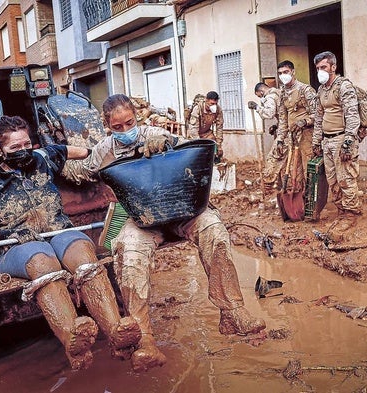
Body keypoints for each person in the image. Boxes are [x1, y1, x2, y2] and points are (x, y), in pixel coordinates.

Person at [74, 94, 266, 373]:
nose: (126, 131)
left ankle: (233, 311)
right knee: (129, 251)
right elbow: (83, 172)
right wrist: (56, 158)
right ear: (107, 125)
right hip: (141, 218)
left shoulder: (153, 133)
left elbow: (194, 151)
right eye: (118, 127)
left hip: (181, 208)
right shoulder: (104, 150)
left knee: (214, 229)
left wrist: (170, 144)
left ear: (136, 119)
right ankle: (145, 340)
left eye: (130, 123)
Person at [0, 115, 142, 370]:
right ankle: (73, 341)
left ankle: (116, 332)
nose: (23, 151)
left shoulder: (44, 158)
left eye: (26, 144)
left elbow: (80, 151)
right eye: (14, 148)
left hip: (59, 232)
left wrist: (112, 156)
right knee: (42, 261)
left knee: (83, 253)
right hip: (17, 246)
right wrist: (6, 233)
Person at [312, 51, 362, 240]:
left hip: (342, 139)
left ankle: (352, 213)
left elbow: (352, 115)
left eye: (323, 67)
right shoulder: (321, 90)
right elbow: (318, 117)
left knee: (346, 178)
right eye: (317, 68)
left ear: (333, 67)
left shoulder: (344, 87)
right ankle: (342, 210)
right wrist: (317, 141)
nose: (320, 71)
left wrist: (348, 143)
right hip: (327, 141)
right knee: (332, 179)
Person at [274, 60, 317, 181]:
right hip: (292, 137)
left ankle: (310, 198)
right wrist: (280, 139)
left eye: (286, 72)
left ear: (293, 72)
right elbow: (283, 119)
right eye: (280, 73)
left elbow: (318, 115)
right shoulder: (282, 93)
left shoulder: (305, 90)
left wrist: (305, 122)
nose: (283, 75)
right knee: (293, 172)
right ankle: (298, 197)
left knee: (308, 169)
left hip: (307, 136)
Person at [248, 82, 282, 193]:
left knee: (273, 157)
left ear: (261, 92)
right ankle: (278, 182)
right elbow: (283, 115)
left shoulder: (270, 97)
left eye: (259, 96)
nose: (260, 98)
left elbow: (269, 113)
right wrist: (276, 126)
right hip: (284, 127)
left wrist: (257, 107)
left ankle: (268, 183)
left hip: (286, 133)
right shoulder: (279, 93)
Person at [187, 91, 224, 162]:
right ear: (206, 101)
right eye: (212, 104)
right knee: (197, 154)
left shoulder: (218, 110)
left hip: (207, 133)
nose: (214, 106)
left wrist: (219, 145)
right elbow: (193, 130)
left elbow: (219, 127)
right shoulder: (198, 109)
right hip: (195, 135)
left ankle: (215, 167)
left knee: (214, 150)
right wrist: (200, 144)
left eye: (216, 104)